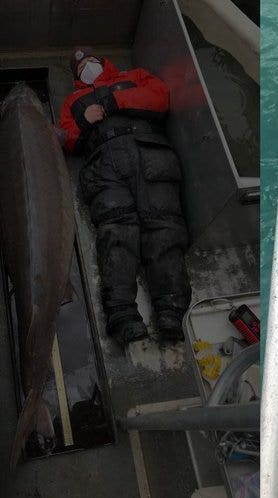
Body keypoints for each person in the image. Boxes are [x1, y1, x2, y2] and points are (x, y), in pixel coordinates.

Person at [59, 47, 191, 344]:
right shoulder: (72, 101)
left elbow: (159, 98)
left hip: (149, 152)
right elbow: (67, 138)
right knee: (116, 232)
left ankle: (171, 309)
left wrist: (114, 100)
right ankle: (121, 315)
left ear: (102, 61)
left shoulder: (133, 77)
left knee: (163, 226)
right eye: (79, 68)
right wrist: (84, 122)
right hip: (104, 164)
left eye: (90, 61)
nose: (86, 67)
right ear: (75, 77)